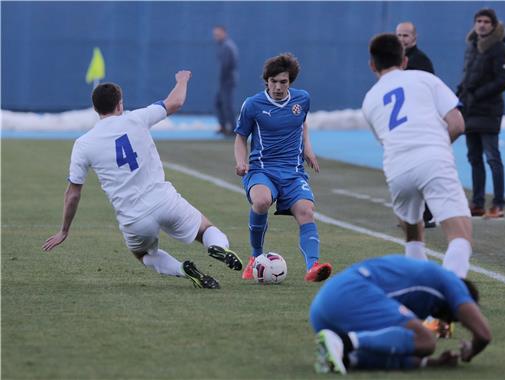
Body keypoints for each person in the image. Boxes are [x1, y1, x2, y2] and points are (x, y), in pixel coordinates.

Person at [42, 71, 243, 289]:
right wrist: (182, 80)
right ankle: (218, 247)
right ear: (120, 104)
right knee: (204, 230)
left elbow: (73, 194)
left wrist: (64, 230)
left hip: (134, 217)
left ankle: (183, 270)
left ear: (95, 108)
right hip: (164, 201)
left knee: (142, 254)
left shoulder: (83, 144)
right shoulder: (137, 118)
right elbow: (175, 102)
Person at [362, 33, 473, 280]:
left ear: (372, 65)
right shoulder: (425, 78)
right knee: (460, 235)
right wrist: (437, 147)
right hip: (433, 157)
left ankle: (421, 295)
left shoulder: (369, 100)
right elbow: (457, 124)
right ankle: (448, 301)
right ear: (404, 60)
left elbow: (386, 140)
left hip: (397, 166)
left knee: (413, 236)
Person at [234, 53, 332, 282]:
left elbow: (302, 122)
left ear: (291, 82)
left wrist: (307, 147)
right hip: (262, 169)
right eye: (274, 81)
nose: (278, 87)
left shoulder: (302, 99)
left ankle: (313, 267)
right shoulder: (253, 104)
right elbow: (240, 136)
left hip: (293, 171)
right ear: (266, 81)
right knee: (261, 201)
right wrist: (241, 161)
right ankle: (255, 258)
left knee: (306, 212)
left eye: (283, 82)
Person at [311, 255, 492, 374]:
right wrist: (471, 349)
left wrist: (432, 363)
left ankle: (345, 355)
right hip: (350, 293)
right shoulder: (452, 282)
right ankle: (343, 342)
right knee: (426, 340)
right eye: (453, 319)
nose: (445, 323)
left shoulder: (423, 298)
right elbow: (484, 335)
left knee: (408, 340)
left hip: (323, 309)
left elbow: (399, 344)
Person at [457, 8, 505, 219]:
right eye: (478, 20)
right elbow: (467, 75)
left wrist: (477, 94)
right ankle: (477, 203)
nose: (481, 25)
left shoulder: (499, 49)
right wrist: (459, 95)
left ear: (493, 25)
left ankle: (498, 203)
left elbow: (503, 81)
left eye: (486, 21)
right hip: (470, 110)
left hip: (488, 110)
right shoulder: (472, 46)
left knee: (492, 157)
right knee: (474, 158)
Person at [396, 21, 436, 228]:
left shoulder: (421, 61)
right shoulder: (394, 62)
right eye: (399, 35)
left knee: (422, 170)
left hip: (418, 124)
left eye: (405, 35)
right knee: (404, 172)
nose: (402, 39)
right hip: (401, 126)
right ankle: (410, 215)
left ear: (414, 38)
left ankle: (427, 214)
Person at [212, 25, 239, 136]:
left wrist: (224, 79)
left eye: (217, 34)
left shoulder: (227, 46)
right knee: (219, 103)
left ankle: (232, 129)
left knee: (227, 105)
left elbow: (227, 66)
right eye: (215, 35)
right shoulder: (225, 46)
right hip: (225, 81)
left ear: (224, 33)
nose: (216, 37)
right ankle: (223, 126)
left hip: (227, 81)